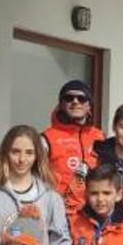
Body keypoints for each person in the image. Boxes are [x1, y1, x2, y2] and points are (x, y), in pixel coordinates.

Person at [43, 80, 105, 215]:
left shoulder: (100, 137)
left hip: (93, 213)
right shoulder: (46, 138)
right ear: (61, 104)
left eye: (82, 99)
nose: (75, 102)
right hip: (59, 214)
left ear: (89, 106)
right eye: (69, 98)